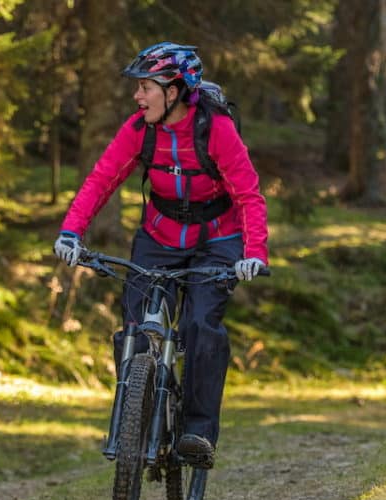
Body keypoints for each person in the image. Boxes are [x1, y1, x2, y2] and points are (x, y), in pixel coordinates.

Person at [53, 42, 268, 467]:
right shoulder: (140, 128)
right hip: (160, 234)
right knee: (134, 325)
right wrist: (71, 231)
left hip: (217, 239)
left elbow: (248, 195)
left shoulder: (216, 129)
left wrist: (254, 252)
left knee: (200, 325)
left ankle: (196, 431)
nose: (137, 96)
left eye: (145, 87)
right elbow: (101, 180)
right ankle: (138, 408)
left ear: (174, 91)